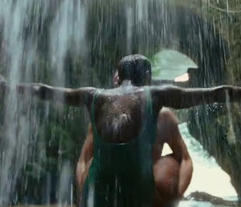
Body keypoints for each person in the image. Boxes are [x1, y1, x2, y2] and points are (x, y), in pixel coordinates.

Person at [0, 54, 241, 207]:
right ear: (147, 77)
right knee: (166, 163)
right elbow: (219, 91)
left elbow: (45, 90)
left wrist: (8, 87)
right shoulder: (156, 96)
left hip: (96, 195)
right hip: (137, 197)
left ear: (119, 75)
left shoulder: (93, 96)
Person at [75, 70, 193, 207]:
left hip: (146, 190)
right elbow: (83, 160)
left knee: (170, 164)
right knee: (91, 163)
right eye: (119, 83)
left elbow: (186, 160)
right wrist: (83, 192)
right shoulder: (103, 118)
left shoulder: (163, 118)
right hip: (107, 189)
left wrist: (177, 195)